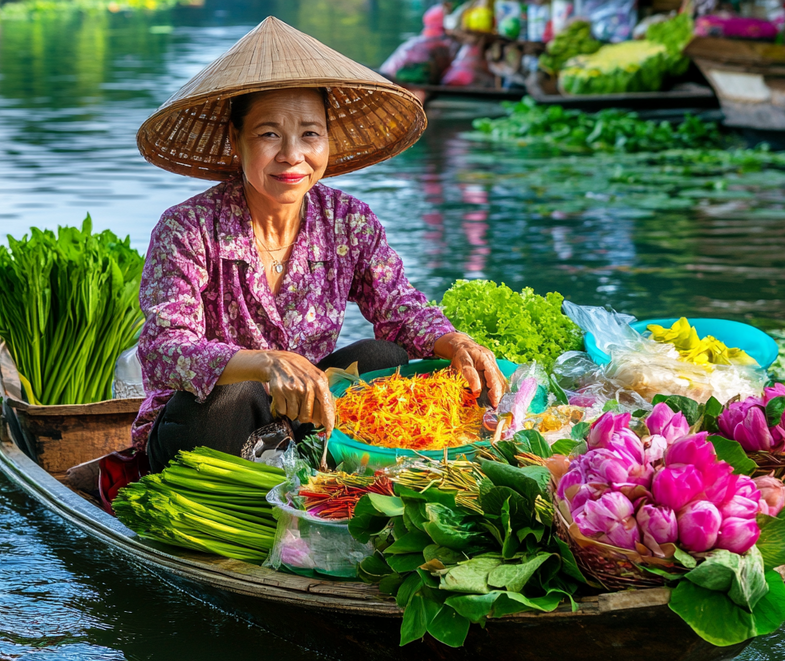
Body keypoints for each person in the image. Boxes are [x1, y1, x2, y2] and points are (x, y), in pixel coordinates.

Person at [131, 17, 506, 472]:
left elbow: (399, 306)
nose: (292, 154)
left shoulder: (348, 220)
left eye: (310, 134)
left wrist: (455, 341)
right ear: (236, 139)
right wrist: (265, 364)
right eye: (269, 134)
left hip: (307, 420)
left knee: (385, 358)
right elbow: (162, 349)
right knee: (234, 393)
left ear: (328, 138)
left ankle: (317, 462)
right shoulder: (187, 228)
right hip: (208, 432)